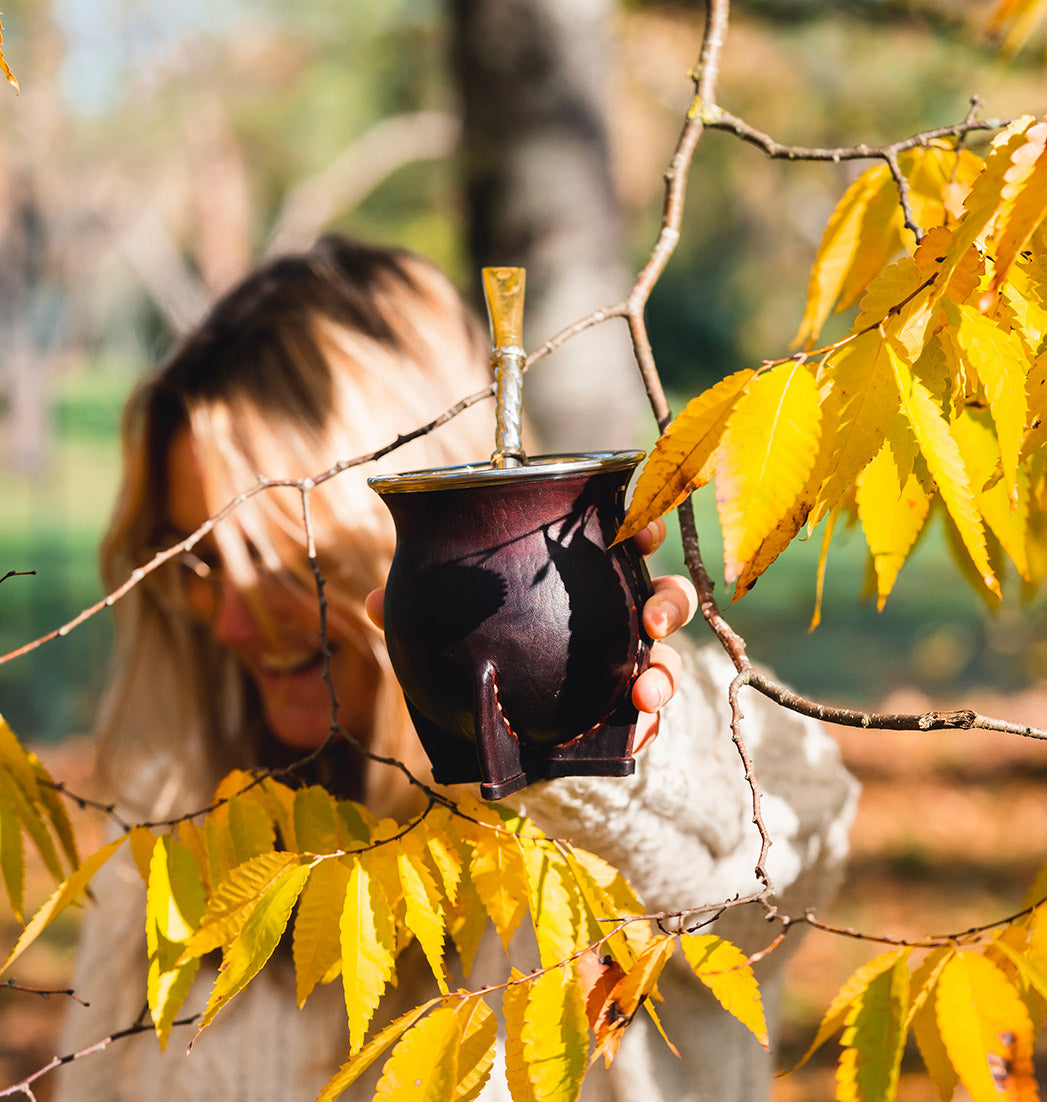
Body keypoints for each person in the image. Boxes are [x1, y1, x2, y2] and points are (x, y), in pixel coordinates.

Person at [54, 236, 857, 1101]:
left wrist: (585, 721)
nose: (234, 621)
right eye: (199, 562)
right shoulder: (171, 837)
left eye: (289, 565)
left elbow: (778, 853)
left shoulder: (670, 741)